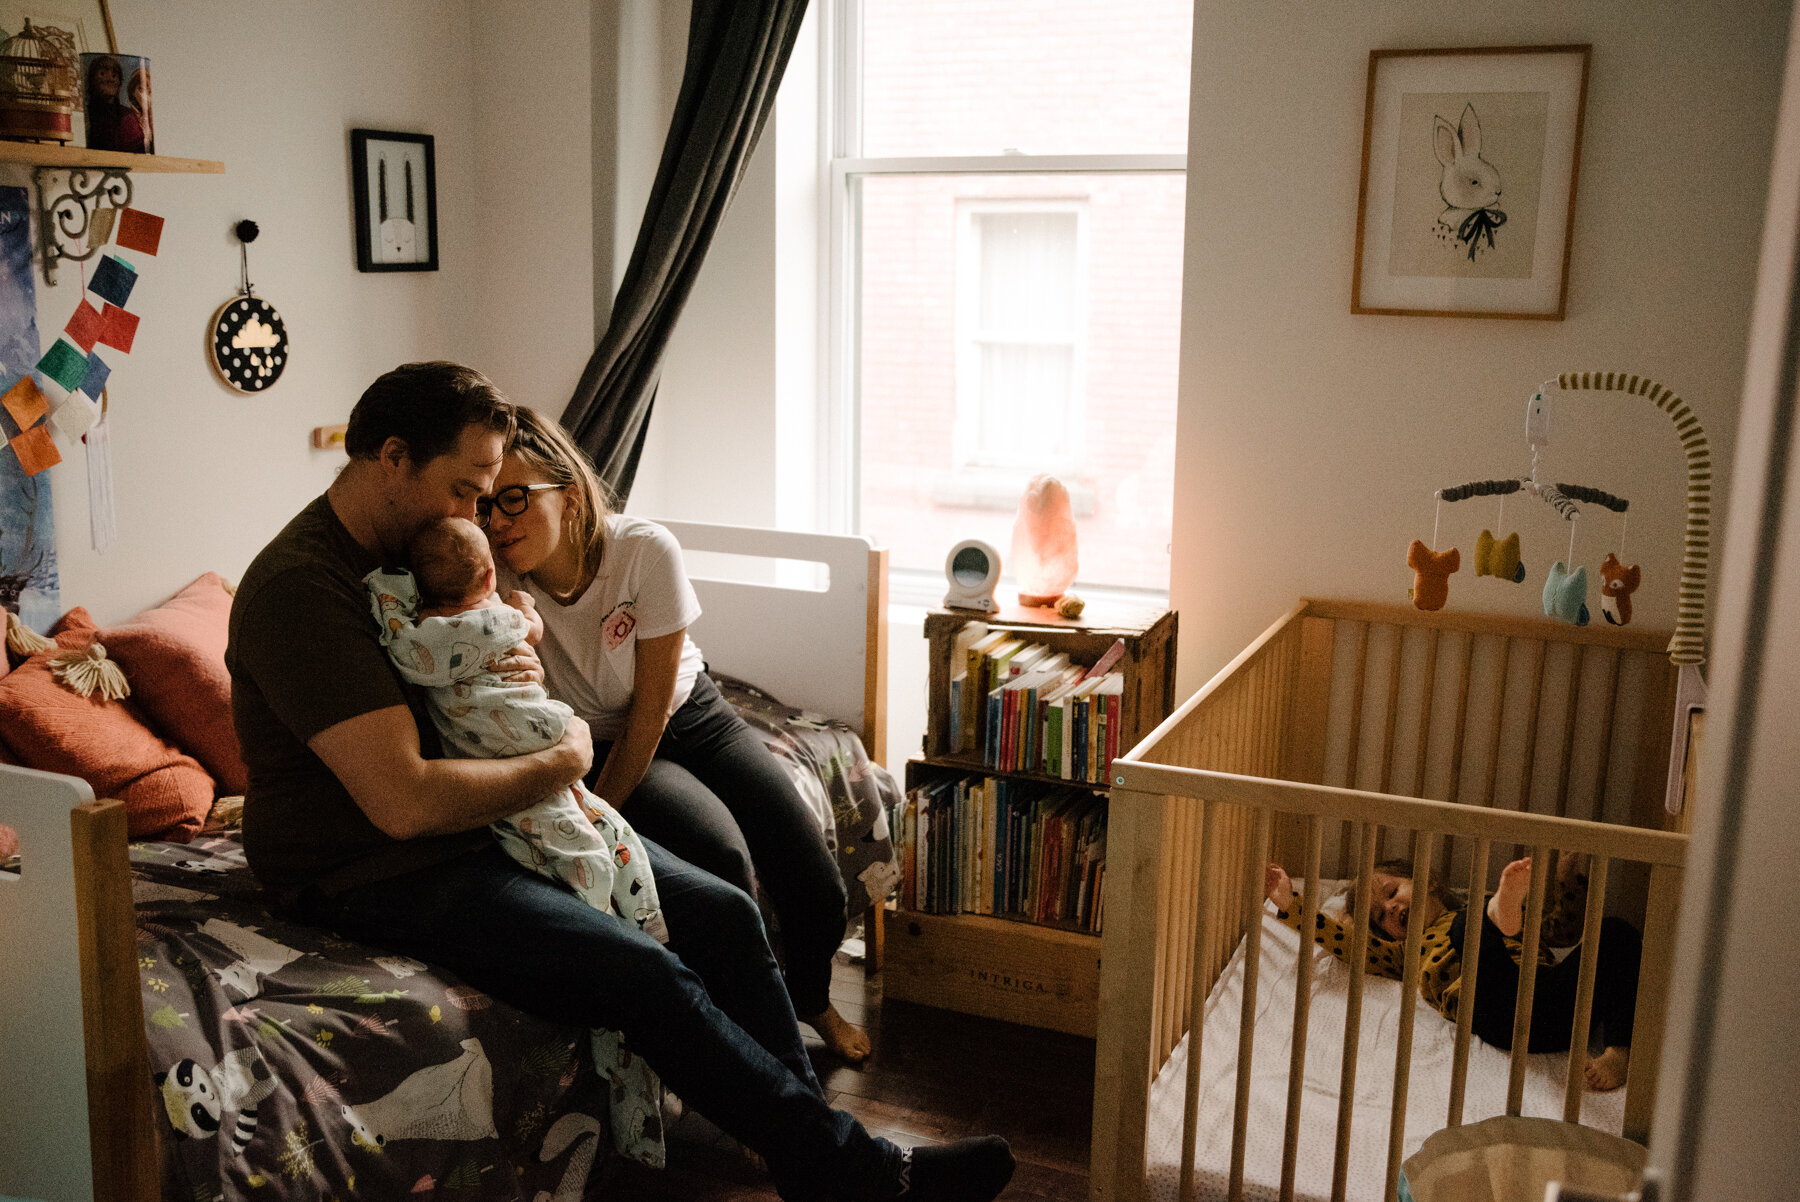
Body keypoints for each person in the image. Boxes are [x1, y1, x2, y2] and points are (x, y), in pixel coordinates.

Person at [226, 361, 1013, 1202]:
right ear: (391, 457)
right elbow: (404, 801)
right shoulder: (303, 590)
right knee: (645, 973)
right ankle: (857, 1173)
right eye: (464, 491)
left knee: (722, 910)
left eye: (491, 496)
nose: (477, 522)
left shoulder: (405, 556)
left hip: (479, 822)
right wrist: (564, 761)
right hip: (375, 865)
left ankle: (814, 1156)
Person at [481, 406, 872, 1064]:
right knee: (721, 862)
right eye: (487, 504)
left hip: (686, 713)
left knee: (814, 882)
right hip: (598, 736)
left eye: (515, 499)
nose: (497, 521)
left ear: (569, 496)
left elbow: (654, 709)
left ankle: (810, 998)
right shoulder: (496, 581)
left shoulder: (643, 550)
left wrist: (597, 807)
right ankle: (749, 1049)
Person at [369, 516, 670, 1162]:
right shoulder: (505, 621)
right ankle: (627, 936)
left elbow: (404, 646)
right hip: (533, 764)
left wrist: (392, 596)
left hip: (523, 759)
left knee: (600, 839)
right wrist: (522, 609)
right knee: (605, 846)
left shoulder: (423, 641)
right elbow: (524, 627)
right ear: (487, 576)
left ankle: (625, 924)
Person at [1263, 851, 1640, 1090]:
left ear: (1428, 882)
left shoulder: (1474, 910)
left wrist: (1567, 876)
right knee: (1468, 927)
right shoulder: (1403, 954)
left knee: (1616, 932)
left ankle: (1619, 1049)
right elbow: (1349, 945)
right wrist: (1290, 905)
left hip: (1553, 1004)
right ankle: (1496, 917)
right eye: (1381, 917)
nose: (1392, 910)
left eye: (1393, 893)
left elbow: (1566, 931)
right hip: (1494, 1012)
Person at [83, 54, 126, 152]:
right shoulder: (87, 114)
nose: (110, 79)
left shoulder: (126, 115)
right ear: (92, 80)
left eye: (114, 75)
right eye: (102, 74)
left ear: (119, 82)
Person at [117, 64, 152, 154]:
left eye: (149, 92)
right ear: (133, 92)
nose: (145, 96)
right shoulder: (128, 119)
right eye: (141, 89)